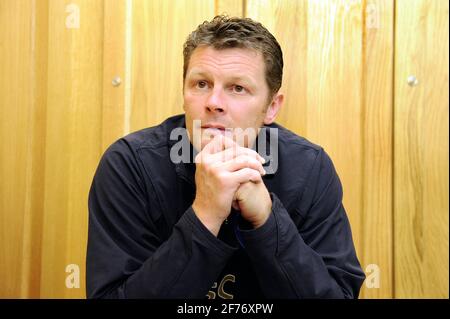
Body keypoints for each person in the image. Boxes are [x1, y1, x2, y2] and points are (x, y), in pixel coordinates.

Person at [86, 15, 365, 299]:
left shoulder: (309, 169)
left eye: (237, 88)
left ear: (272, 107)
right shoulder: (129, 165)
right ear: (184, 92)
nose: (214, 103)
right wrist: (205, 216)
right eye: (201, 84)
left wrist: (268, 221)